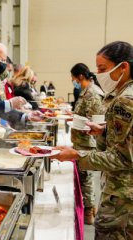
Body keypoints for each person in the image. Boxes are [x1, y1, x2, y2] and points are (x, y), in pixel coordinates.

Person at [52, 41, 133, 239]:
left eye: (102, 68)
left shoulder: (125, 100)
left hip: (122, 197)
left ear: (123, 67)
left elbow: (122, 158)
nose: (97, 74)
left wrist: (77, 155)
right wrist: (104, 131)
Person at [70, 63, 105, 225]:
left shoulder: (92, 93)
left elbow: (96, 120)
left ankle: (89, 211)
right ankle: (88, 208)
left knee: (86, 178)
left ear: (81, 76)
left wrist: (77, 121)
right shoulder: (86, 91)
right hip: (81, 140)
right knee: (84, 177)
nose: (73, 81)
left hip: (88, 141)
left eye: (73, 78)